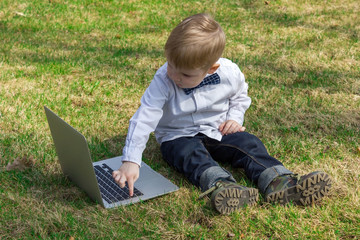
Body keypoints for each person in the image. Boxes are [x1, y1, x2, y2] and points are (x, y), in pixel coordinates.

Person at [112, 13, 332, 214]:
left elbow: (240, 97)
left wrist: (234, 119)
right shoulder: (164, 79)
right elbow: (144, 116)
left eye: (186, 74)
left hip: (217, 129)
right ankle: (223, 186)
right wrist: (131, 160)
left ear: (211, 69)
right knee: (191, 155)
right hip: (177, 136)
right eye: (170, 65)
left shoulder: (229, 73)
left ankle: (279, 181)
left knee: (249, 144)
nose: (174, 76)